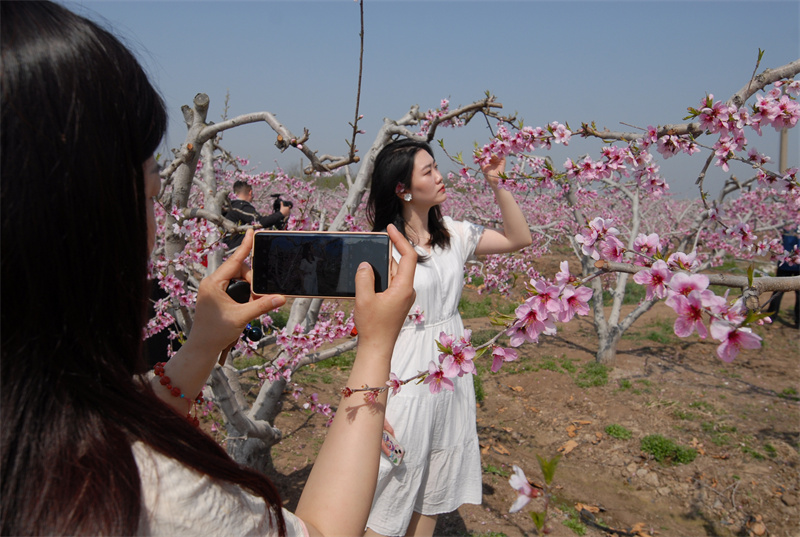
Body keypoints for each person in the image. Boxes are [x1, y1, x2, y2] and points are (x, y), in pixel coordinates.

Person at [0, 2, 417, 536]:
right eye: (152, 190)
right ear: (81, 225)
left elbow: (101, 426)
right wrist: (376, 347)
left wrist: (201, 345)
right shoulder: (139, 497)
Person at [364, 139, 533, 536]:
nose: (440, 177)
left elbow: (518, 238)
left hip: (450, 372)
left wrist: (498, 183)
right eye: (428, 172)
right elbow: (373, 329)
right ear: (403, 189)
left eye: (437, 167)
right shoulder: (381, 248)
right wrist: (374, 393)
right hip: (405, 373)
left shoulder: (454, 234)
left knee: (435, 487)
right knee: (390, 483)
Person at [224, 181, 292, 249]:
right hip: (235, 247)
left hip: (227, 245)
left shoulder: (229, 206)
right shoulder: (242, 206)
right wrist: (281, 214)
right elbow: (260, 222)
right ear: (250, 192)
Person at [765, 226, 800, 328]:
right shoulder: (787, 224)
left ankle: (771, 316)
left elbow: (778, 243)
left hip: (784, 262)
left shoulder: (787, 224)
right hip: (792, 264)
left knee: (778, 291)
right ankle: (798, 322)